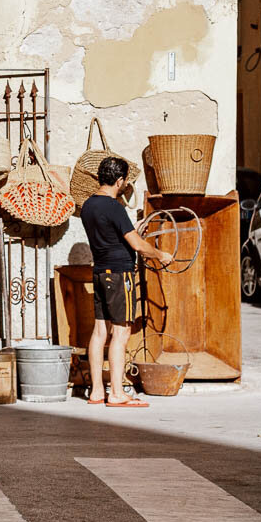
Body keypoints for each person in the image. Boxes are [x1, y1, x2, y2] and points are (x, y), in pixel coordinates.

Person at [80, 155, 173, 408]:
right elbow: (137, 246)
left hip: (100, 272)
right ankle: (117, 393)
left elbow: (111, 233)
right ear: (119, 180)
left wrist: (133, 228)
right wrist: (159, 254)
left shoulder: (88, 205)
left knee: (100, 332)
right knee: (121, 333)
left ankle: (97, 391)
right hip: (120, 274)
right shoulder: (114, 207)